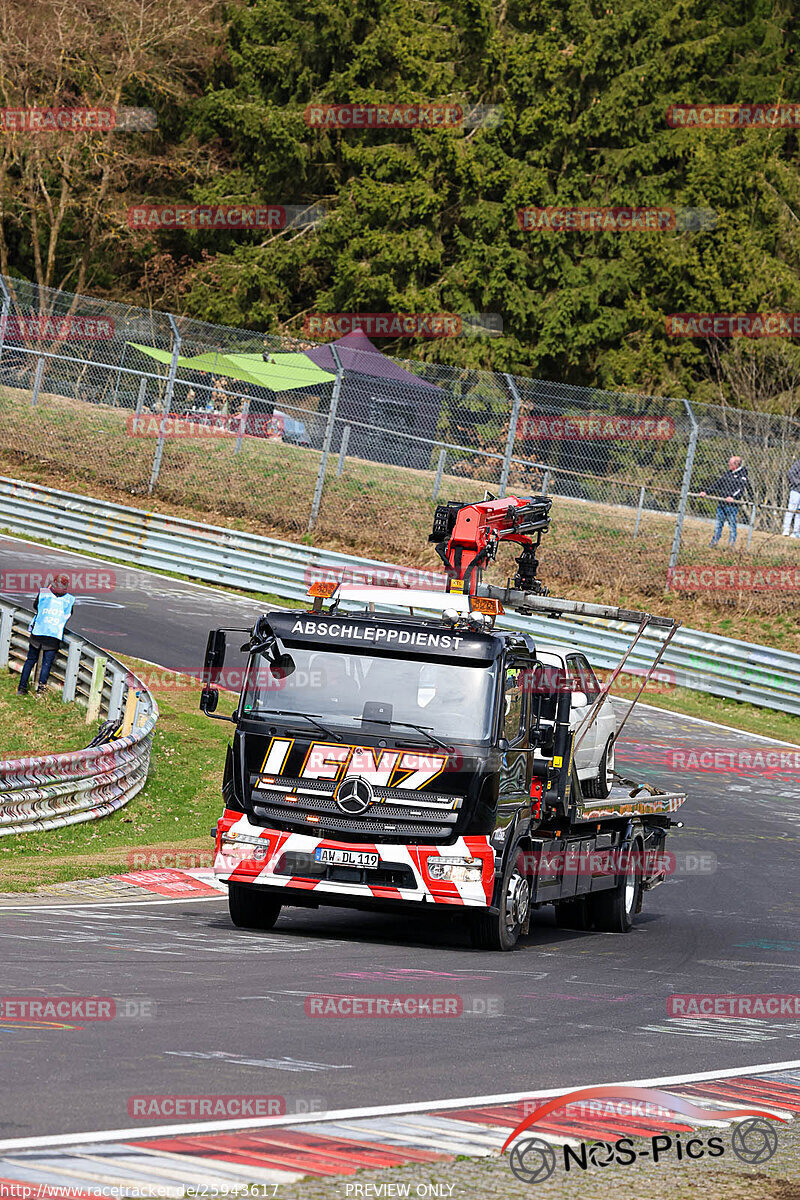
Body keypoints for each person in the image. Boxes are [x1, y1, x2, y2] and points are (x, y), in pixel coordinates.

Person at [17, 572, 75, 696]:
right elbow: (69, 614)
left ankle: (21, 689)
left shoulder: (44, 593)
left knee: (30, 660)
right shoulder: (69, 599)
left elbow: (35, 606)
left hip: (38, 632)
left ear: (53, 584)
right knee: (46, 665)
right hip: (53, 635)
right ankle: (40, 692)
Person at [699, 455, 751, 547]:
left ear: (736, 464)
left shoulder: (742, 476)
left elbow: (740, 489)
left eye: (730, 463)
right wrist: (706, 492)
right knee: (718, 524)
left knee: (732, 525)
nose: (728, 464)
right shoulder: (728, 473)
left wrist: (733, 498)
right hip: (722, 502)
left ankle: (730, 545)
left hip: (732, 505)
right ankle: (714, 542)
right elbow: (718, 483)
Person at [782, 456, 800, 538]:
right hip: (796, 490)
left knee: (799, 512)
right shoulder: (798, 463)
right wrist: (797, 483)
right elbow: (790, 473)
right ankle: (786, 529)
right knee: (791, 509)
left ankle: (796, 532)